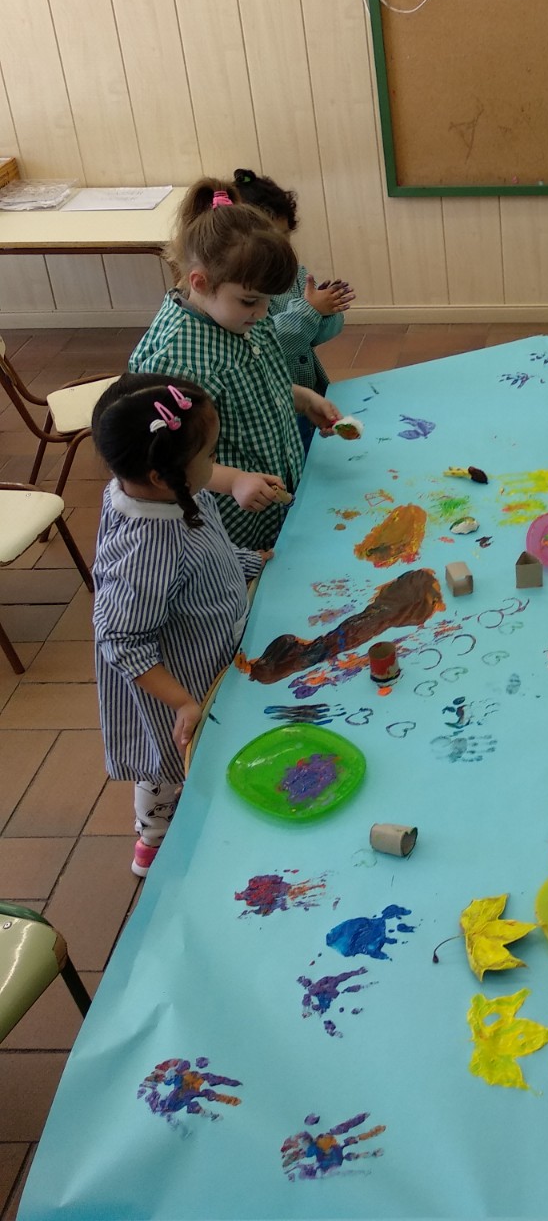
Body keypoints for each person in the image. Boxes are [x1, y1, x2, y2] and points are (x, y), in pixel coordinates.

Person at [90, 374, 270, 876]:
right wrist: (183, 701)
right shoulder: (148, 545)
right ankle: (154, 840)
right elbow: (120, 638)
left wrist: (247, 562)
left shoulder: (169, 491)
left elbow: (206, 550)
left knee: (195, 752)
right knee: (167, 765)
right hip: (176, 680)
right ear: (161, 476)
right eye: (209, 455)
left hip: (207, 644)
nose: (216, 465)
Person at [129, 178, 341, 548]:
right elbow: (165, 462)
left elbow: (255, 381)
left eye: (267, 301)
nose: (262, 312)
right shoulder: (178, 362)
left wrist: (303, 399)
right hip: (232, 527)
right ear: (200, 282)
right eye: (250, 301)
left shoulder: (240, 316)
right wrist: (234, 481)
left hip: (272, 508)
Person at [229, 167, 355, 406]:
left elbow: (316, 337)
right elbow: (267, 342)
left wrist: (328, 311)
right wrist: (310, 311)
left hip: (309, 395)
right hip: (273, 402)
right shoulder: (238, 292)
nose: (283, 247)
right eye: (272, 239)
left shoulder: (295, 274)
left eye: (285, 235)